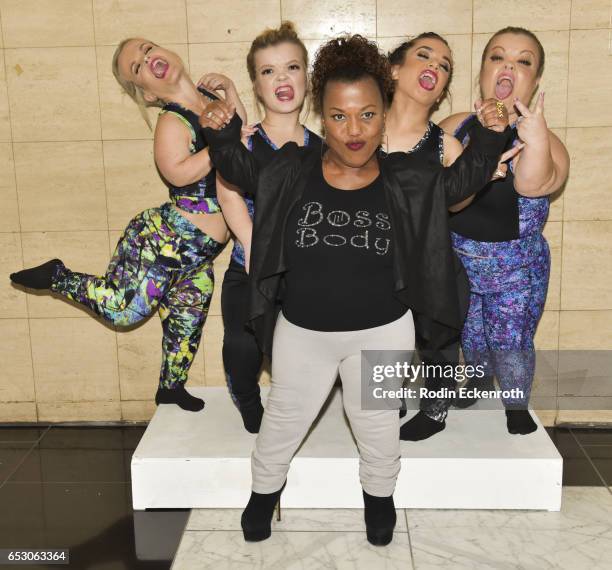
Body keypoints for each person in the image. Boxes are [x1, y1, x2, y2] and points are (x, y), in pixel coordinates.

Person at [201, 35, 510, 546]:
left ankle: (379, 500)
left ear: (383, 114)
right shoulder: (292, 170)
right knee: (282, 424)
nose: (354, 130)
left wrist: (493, 136)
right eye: (339, 117)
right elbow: (239, 170)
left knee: (378, 428)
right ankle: (261, 495)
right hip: (303, 335)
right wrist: (222, 132)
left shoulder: (406, 178)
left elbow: (459, 183)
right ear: (323, 117)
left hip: (382, 332)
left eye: (367, 115)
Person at [9, 39, 246, 412]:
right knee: (123, 311)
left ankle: (170, 388)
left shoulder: (207, 99)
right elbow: (178, 173)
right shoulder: (172, 121)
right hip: (164, 241)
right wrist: (218, 146)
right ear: (148, 95)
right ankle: (58, 276)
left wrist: (230, 94)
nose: (147, 59)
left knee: (187, 324)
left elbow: (242, 143)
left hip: (200, 255)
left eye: (148, 49)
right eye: (137, 67)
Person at [384, 33, 521, 441]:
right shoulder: (362, 127)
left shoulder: (444, 144)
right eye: (424, 56)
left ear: (443, 87)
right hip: (373, 264)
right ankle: (389, 399)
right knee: (378, 341)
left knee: (437, 339)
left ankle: (435, 408)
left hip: (428, 262)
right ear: (394, 68)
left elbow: (456, 204)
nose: (434, 67)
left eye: (444, 66)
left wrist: (483, 173)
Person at [440, 27, 569, 434]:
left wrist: (532, 139)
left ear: (533, 81)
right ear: (482, 73)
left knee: (509, 340)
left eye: (523, 61)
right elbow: (431, 183)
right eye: (497, 57)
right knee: (472, 335)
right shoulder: (456, 124)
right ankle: (476, 384)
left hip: (515, 272)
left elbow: (532, 185)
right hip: (461, 263)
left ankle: (516, 406)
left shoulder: (545, 139)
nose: (509, 65)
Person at [217, 22, 322, 433]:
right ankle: (246, 399)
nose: (281, 78)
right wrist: (254, 251)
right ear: (257, 87)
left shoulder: (324, 148)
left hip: (300, 277)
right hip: (248, 267)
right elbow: (228, 196)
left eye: (292, 67)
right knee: (242, 348)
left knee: (293, 359)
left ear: (306, 79)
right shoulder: (243, 142)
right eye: (268, 71)